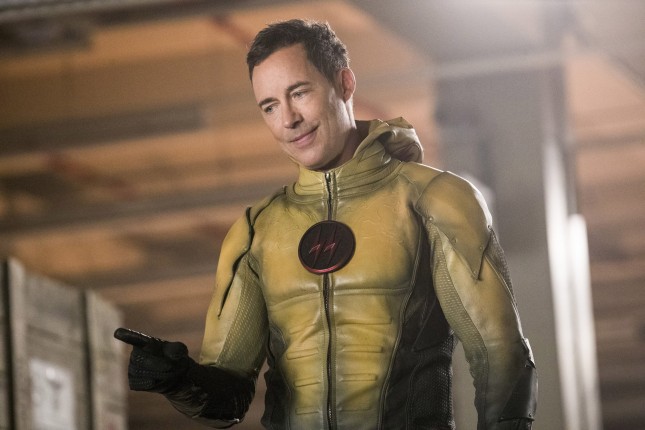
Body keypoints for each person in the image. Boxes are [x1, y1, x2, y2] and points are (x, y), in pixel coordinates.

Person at [115, 19, 537, 430]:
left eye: (299, 93)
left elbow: (501, 355)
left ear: (345, 84)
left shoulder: (433, 199)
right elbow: (228, 400)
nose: (288, 119)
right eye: (270, 106)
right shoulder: (256, 230)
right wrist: (179, 380)